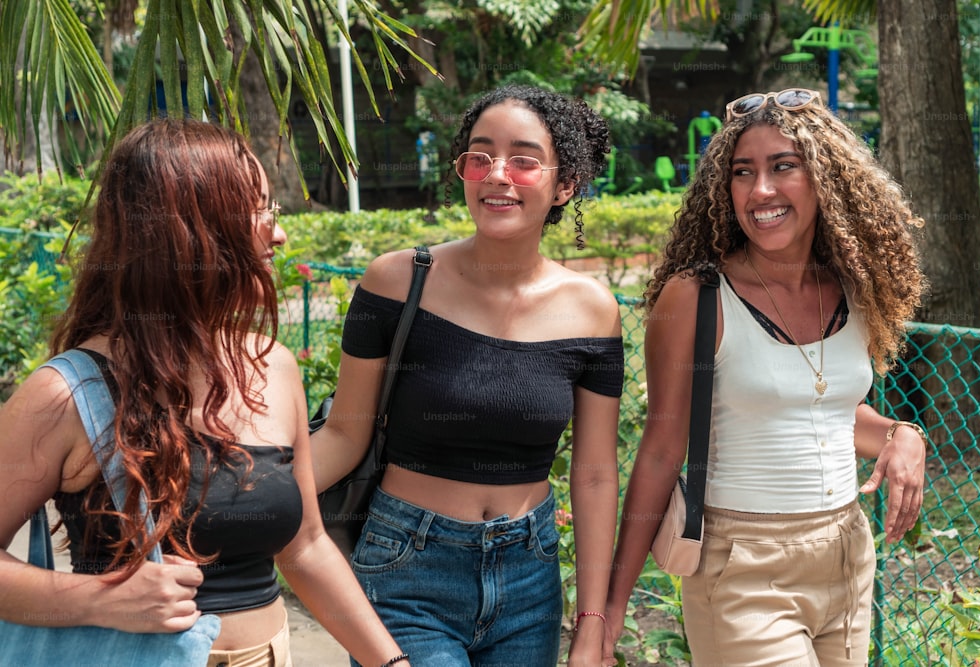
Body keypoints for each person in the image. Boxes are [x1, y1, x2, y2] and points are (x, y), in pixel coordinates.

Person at [0, 119, 411, 667]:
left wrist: (391, 662)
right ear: (187, 230)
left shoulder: (272, 367)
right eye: (259, 212)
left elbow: (306, 547)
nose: (279, 233)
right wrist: (99, 600)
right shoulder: (65, 393)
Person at [603, 89, 928, 666]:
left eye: (784, 167)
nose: (761, 191)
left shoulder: (854, 290)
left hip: (848, 556)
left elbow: (830, 411)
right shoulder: (698, 297)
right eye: (742, 173)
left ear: (827, 178)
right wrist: (606, 612)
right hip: (742, 571)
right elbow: (658, 452)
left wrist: (903, 435)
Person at [311, 85, 624, 666]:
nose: (497, 174)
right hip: (406, 568)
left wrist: (592, 623)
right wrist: (241, 491)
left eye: (524, 160)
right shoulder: (396, 281)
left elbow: (598, 473)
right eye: (479, 157)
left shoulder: (592, 308)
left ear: (565, 185)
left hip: (530, 581)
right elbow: (343, 436)